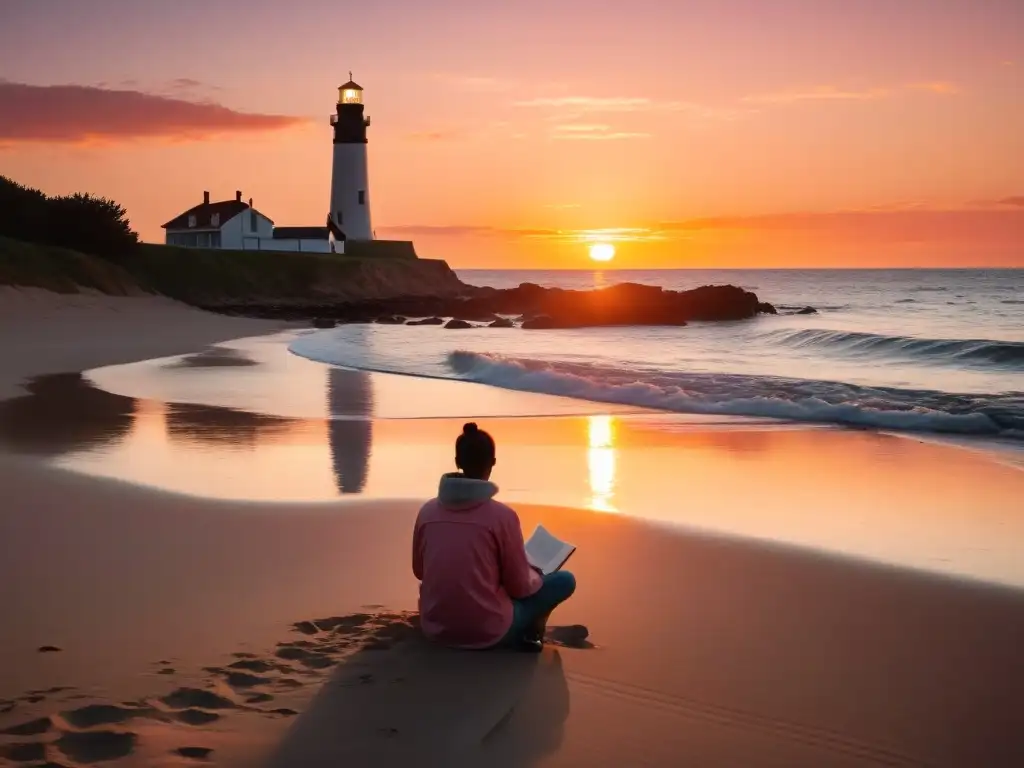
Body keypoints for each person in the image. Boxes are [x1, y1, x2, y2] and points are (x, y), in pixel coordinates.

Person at [412, 422, 576, 652]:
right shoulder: (503, 516)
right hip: (489, 631)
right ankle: (531, 627)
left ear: (457, 462)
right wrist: (534, 574)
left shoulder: (427, 512)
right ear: (493, 463)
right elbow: (519, 588)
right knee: (564, 581)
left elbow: (419, 571)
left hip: (435, 627)